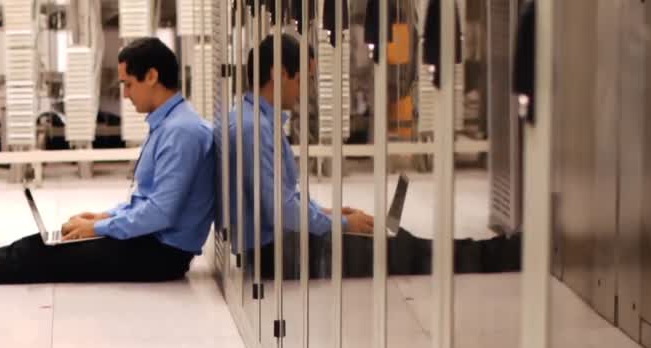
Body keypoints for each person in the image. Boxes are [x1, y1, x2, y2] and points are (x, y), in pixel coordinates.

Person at [0, 37, 218, 285]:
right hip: (150, 244)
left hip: (158, 255)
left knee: (35, 255)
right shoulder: (172, 125)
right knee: (38, 245)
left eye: (127, 84)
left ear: (151, 76)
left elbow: (161, 212)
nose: (125, 95)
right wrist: (105, 216)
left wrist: (99, 227)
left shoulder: (183, 133)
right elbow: (151, 200)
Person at [221, 34, 521, 281]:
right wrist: (340, 223)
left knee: (397, 240)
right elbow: (278, 211)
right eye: (301, 80)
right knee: (405, 251)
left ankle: (496, 250)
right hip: (282, 254)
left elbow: (280, 198)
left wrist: (328, 213)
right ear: (278, 73)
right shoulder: (252, 129)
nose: (303, 92)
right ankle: (503, 253)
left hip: (284, 245)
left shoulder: (255, 121)